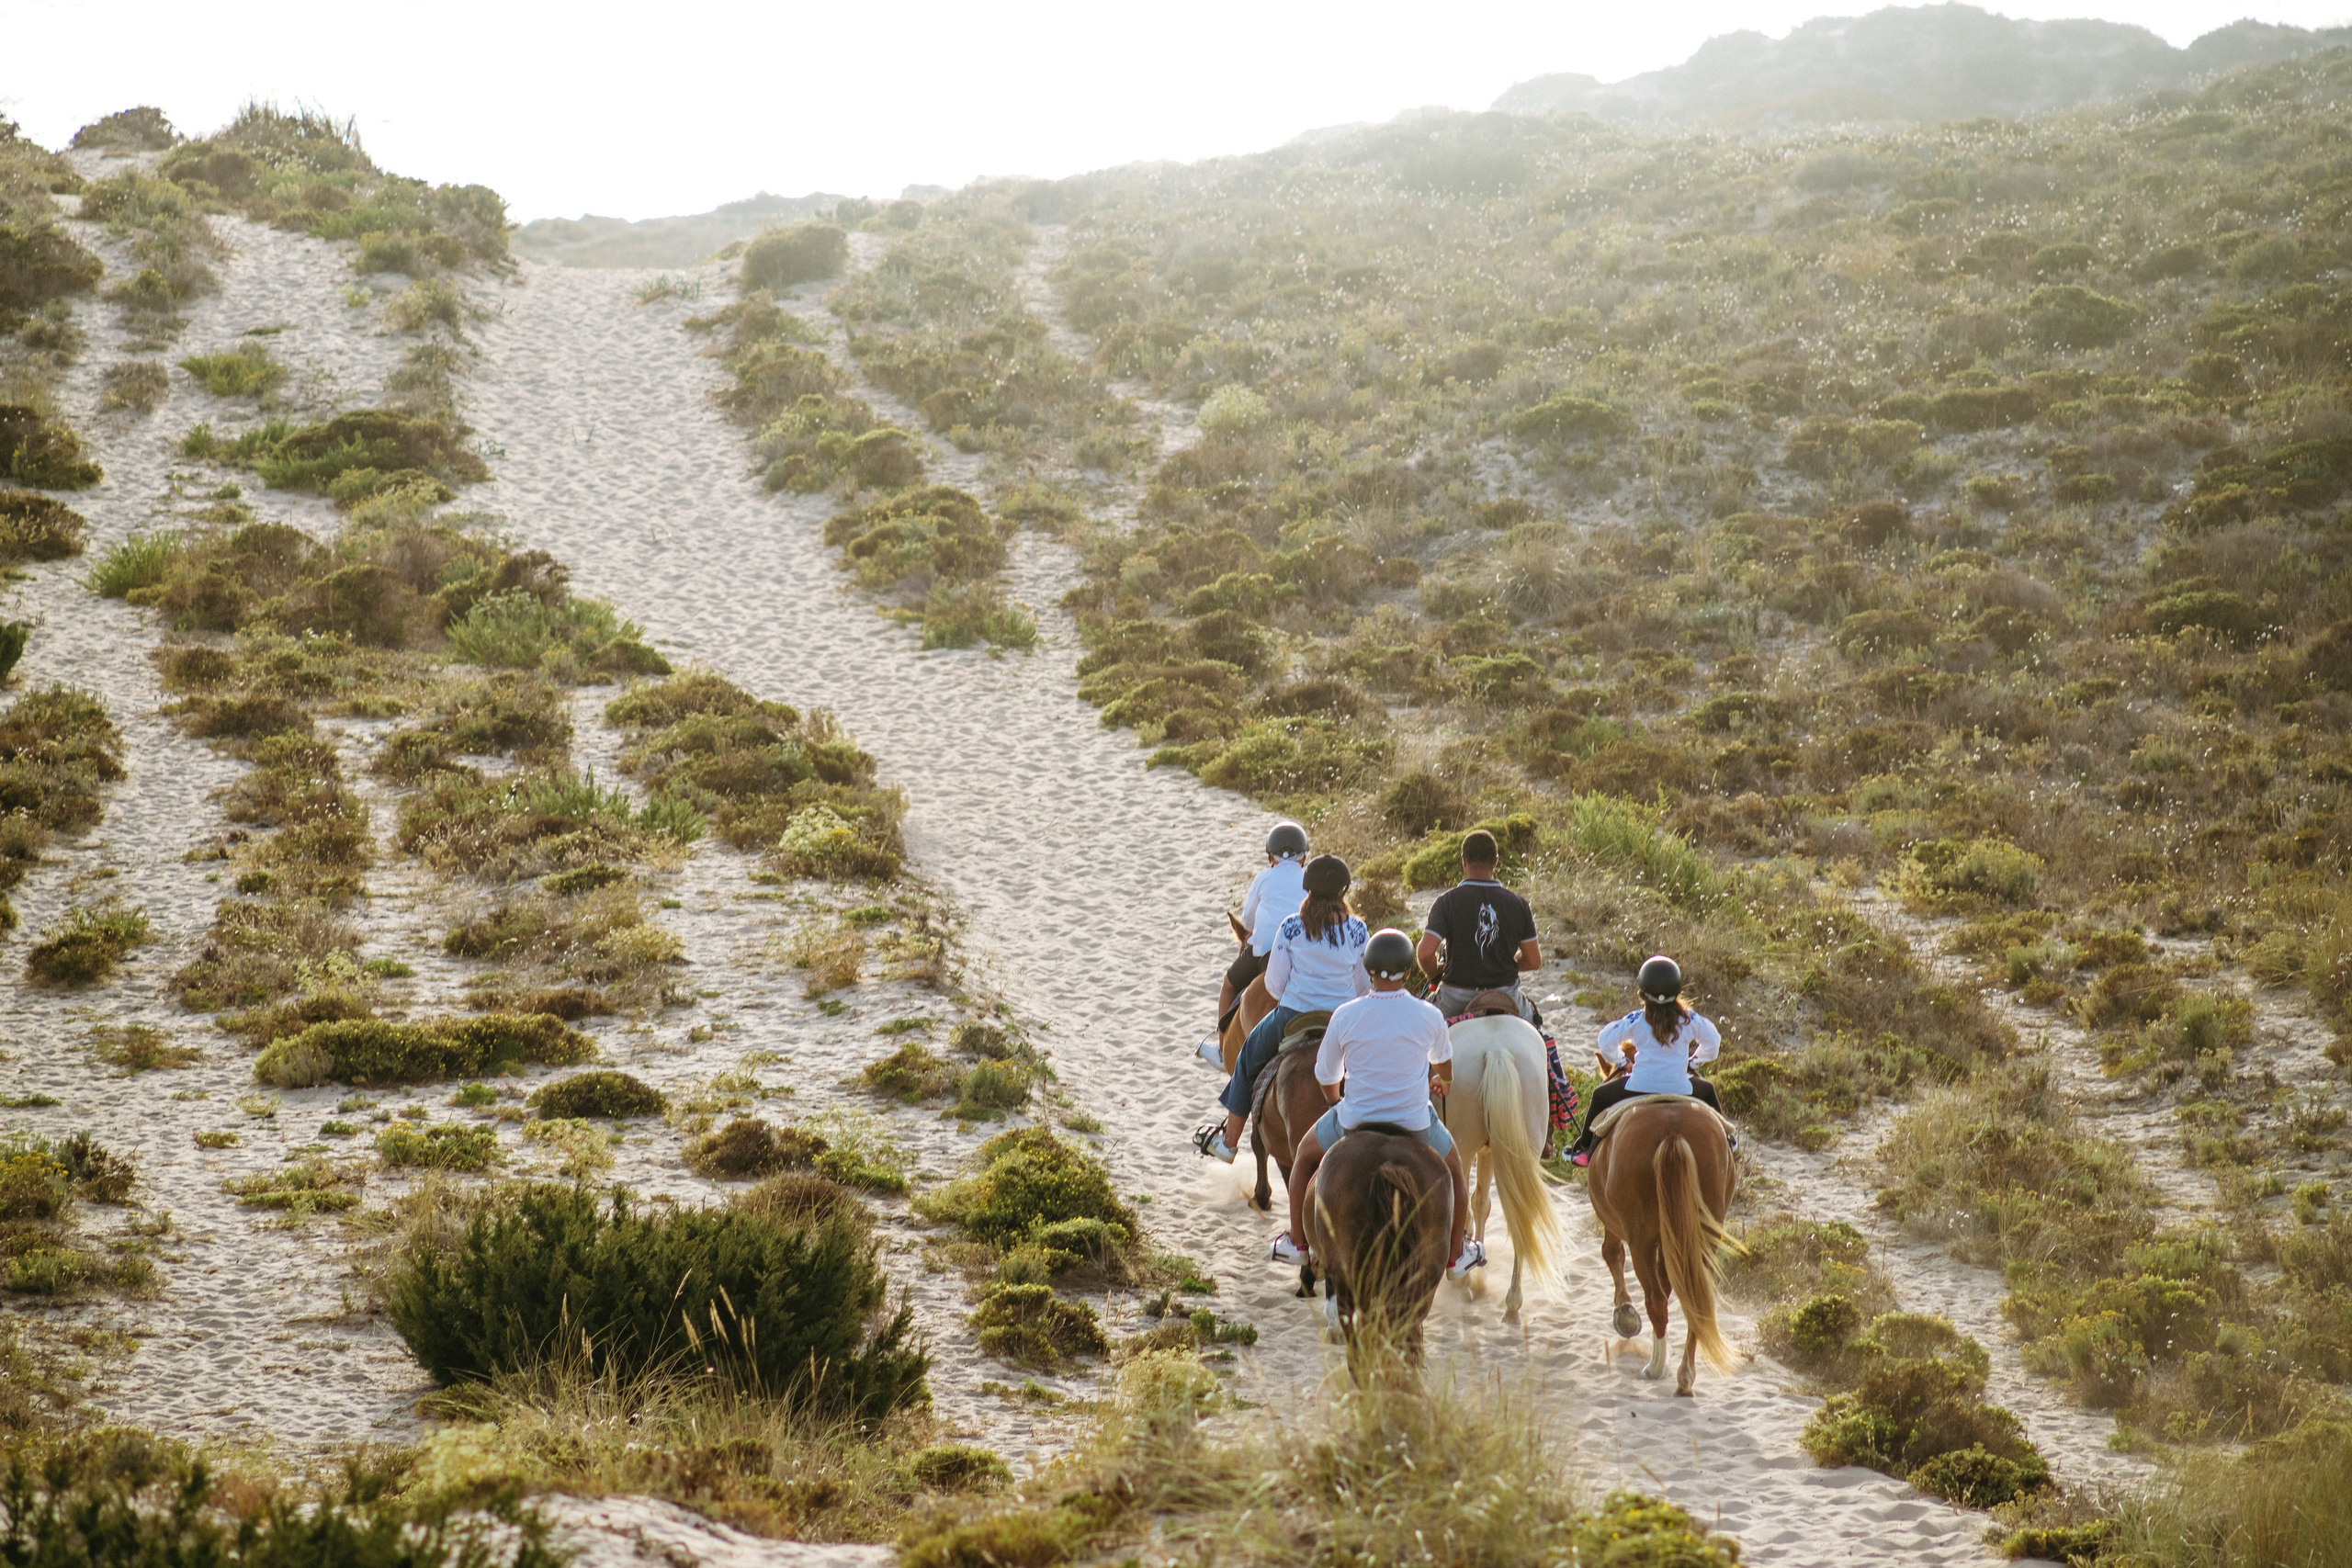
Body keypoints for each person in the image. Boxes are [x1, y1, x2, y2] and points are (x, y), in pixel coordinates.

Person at [1271, 928, 1484, 1280]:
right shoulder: (1429, 1016)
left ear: (1367, 970)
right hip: (1415, 1121)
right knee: (1456, 1172)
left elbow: (1326, 1074)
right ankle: (1457, 1254)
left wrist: (1333, 1101)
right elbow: (1444, 1064)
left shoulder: (1346, 1014)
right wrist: (1440, 1081)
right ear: (1409, 973)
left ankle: (1297, 1242)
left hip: (1355, 1117)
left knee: (1305, 1157)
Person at [1193, 854, 1368, 1164]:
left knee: (1247, 1059)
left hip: (1292, 1015)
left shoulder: (1291, 927)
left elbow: (1273, 985)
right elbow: (1363, 986)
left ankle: (1229, 1143)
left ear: (1307, 889)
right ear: (1344, 891)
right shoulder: (1357, 930)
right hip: (1342, 1020)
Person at [1565, 954, 1731, 1166]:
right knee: (1708, 1090)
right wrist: (1693, 1063)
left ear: (1642, 993)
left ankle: (1585, 1149)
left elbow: (1605, 1040)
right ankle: (1727, 1141)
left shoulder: (1637, 1019)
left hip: (1640, 1086)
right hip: (1681, 1086)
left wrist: (1623, 1062)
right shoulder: (1689, 1019)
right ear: (1677, 991)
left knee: (1599, 1095)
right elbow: (1713, 1043)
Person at [1196, 822, 1310, 1067]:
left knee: (1228, 985)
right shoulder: (1308, 879)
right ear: (1304, 857)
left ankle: (1221, 1047)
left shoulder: (1263, 877)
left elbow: (1248, 918)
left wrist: (1251, 931)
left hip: (1264, 953)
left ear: (1271, 856)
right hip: (1302, 955)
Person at [1416, 829, 1543, 1025]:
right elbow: (1533, 961)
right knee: (1536, 1032)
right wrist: (1508, 962)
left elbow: (1424, 954)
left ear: (1464, 860)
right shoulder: (1518, 904)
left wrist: (1436, 972)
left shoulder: (1446, 902)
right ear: (1496, 861)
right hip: (1505, 994)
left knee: (1423, 1032)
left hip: (1455, 998)